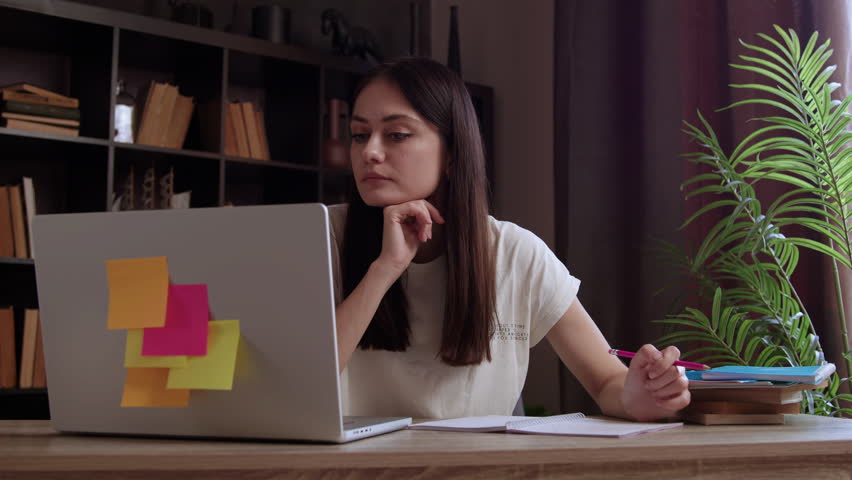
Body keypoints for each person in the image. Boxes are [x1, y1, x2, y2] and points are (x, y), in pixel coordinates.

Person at [328, 57, 690, 422]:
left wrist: (639, 395)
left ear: (452, 151)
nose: (370, 152)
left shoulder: (515, 253)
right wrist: (385, 268)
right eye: (359, 135)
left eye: (396, 135)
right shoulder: (322, 237)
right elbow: (298, 386)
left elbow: (606, 379)